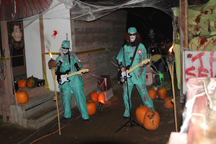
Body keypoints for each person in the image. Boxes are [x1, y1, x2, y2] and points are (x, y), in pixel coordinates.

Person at [116, 27, 155, 119]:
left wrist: (144, 63)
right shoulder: (124, 47)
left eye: (134, 35)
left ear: (136, 35)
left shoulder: (141, 46)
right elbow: (119, 59)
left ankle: (150, 108)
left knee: (143, 91)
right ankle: (127, 110)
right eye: (130, 35)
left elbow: (146, 59)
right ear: (127, 36)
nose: (132, 37)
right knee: (125, 93)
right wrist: (121, 67)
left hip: (139, 74)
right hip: (128, 75)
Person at [48, 40, 89, 122]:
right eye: (64, 48)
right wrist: (58, 64)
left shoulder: (73, 56)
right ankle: (67, 114)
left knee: (80, 96)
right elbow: (56, 71)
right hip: (64, 79)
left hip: (74, 77)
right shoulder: (58, 58)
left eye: (67, 48)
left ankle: (85, 115)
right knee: (65, 97)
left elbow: (77, 64)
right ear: (61, 48)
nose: (65, 50)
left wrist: (79, 70)